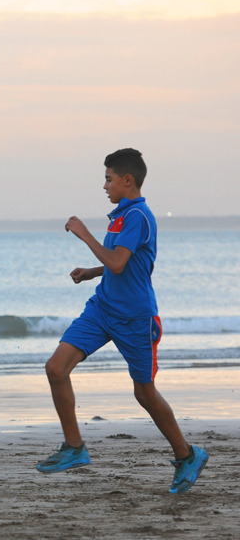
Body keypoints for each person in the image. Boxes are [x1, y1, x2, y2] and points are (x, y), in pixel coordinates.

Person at [37, 148, 208, 494]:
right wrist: (92, 273)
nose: (104, 185)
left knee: (144, 393)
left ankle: (187, 455)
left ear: (127, 180)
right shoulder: (120, 215)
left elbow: (119, 263)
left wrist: (85, 235)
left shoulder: (139, 216)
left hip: (135, 319)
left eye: (108, 178)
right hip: (102, 308)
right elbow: (119, 264)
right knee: (56, 368)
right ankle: (74, 448)